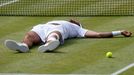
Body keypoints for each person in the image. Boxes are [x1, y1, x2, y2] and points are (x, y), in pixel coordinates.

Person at [4, 19, 132, 53]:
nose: (74, 20)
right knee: (30, 35)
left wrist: (119, 31)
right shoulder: (63, 21)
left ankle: (50, 44)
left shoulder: (79, 30)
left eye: (77, 21)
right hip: (42, 27)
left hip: (57, 30)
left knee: (54, 33)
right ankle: (24, 46)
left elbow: (98, 34)